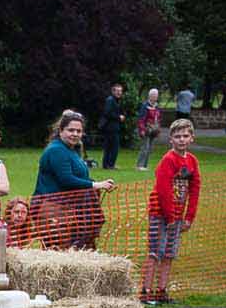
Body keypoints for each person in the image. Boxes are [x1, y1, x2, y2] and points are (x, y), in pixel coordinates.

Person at [32, 110, 115, 249]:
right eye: (71, 130)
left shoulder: (71, 150)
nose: (75, 134)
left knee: (76, 250)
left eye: (79, 131)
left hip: (70, 208)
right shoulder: (56, 150)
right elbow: (67, 180)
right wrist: (96, 185)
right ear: (61, 130)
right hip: (54, 209)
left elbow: (79, 176)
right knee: (58, 252)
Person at [142, 117, 200, 305]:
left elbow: (195, 188)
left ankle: (162, 290)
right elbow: (163, 189)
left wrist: (189, 216)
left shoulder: (192, 161)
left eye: (185, 136)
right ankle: (146, 291)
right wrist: (170, 216)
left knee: (169, 253)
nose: (182, 139)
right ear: (171, 139)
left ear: (192, 138)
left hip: (178, 215)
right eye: (177, 136)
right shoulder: (168, 160)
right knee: (155, 252)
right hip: (161, 214)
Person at [98, 83, 126, 170]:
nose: (119, 93)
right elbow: (107, 113)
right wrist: (119, 117)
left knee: (109, 146)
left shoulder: (115, 100)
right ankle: (110, 164)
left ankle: (107, 164)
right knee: (113, 147)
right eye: (117, 91)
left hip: (112, 127)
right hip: (110, 127)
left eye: (120, 91)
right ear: (113, 91)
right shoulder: (110, 100)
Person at [134, 88, 163, 170]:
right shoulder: (145, 105)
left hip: (154, 130)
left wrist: (158, 129)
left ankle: (145, 165)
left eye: (156, 95)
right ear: (149, 96)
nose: (154, 97)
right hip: (146, 129)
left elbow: (158, 118)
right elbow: (141, 119)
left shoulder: (157, 106)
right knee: (145, 148)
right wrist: (142, 129)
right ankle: (140, 165)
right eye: (153, 95)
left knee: (150, 148)